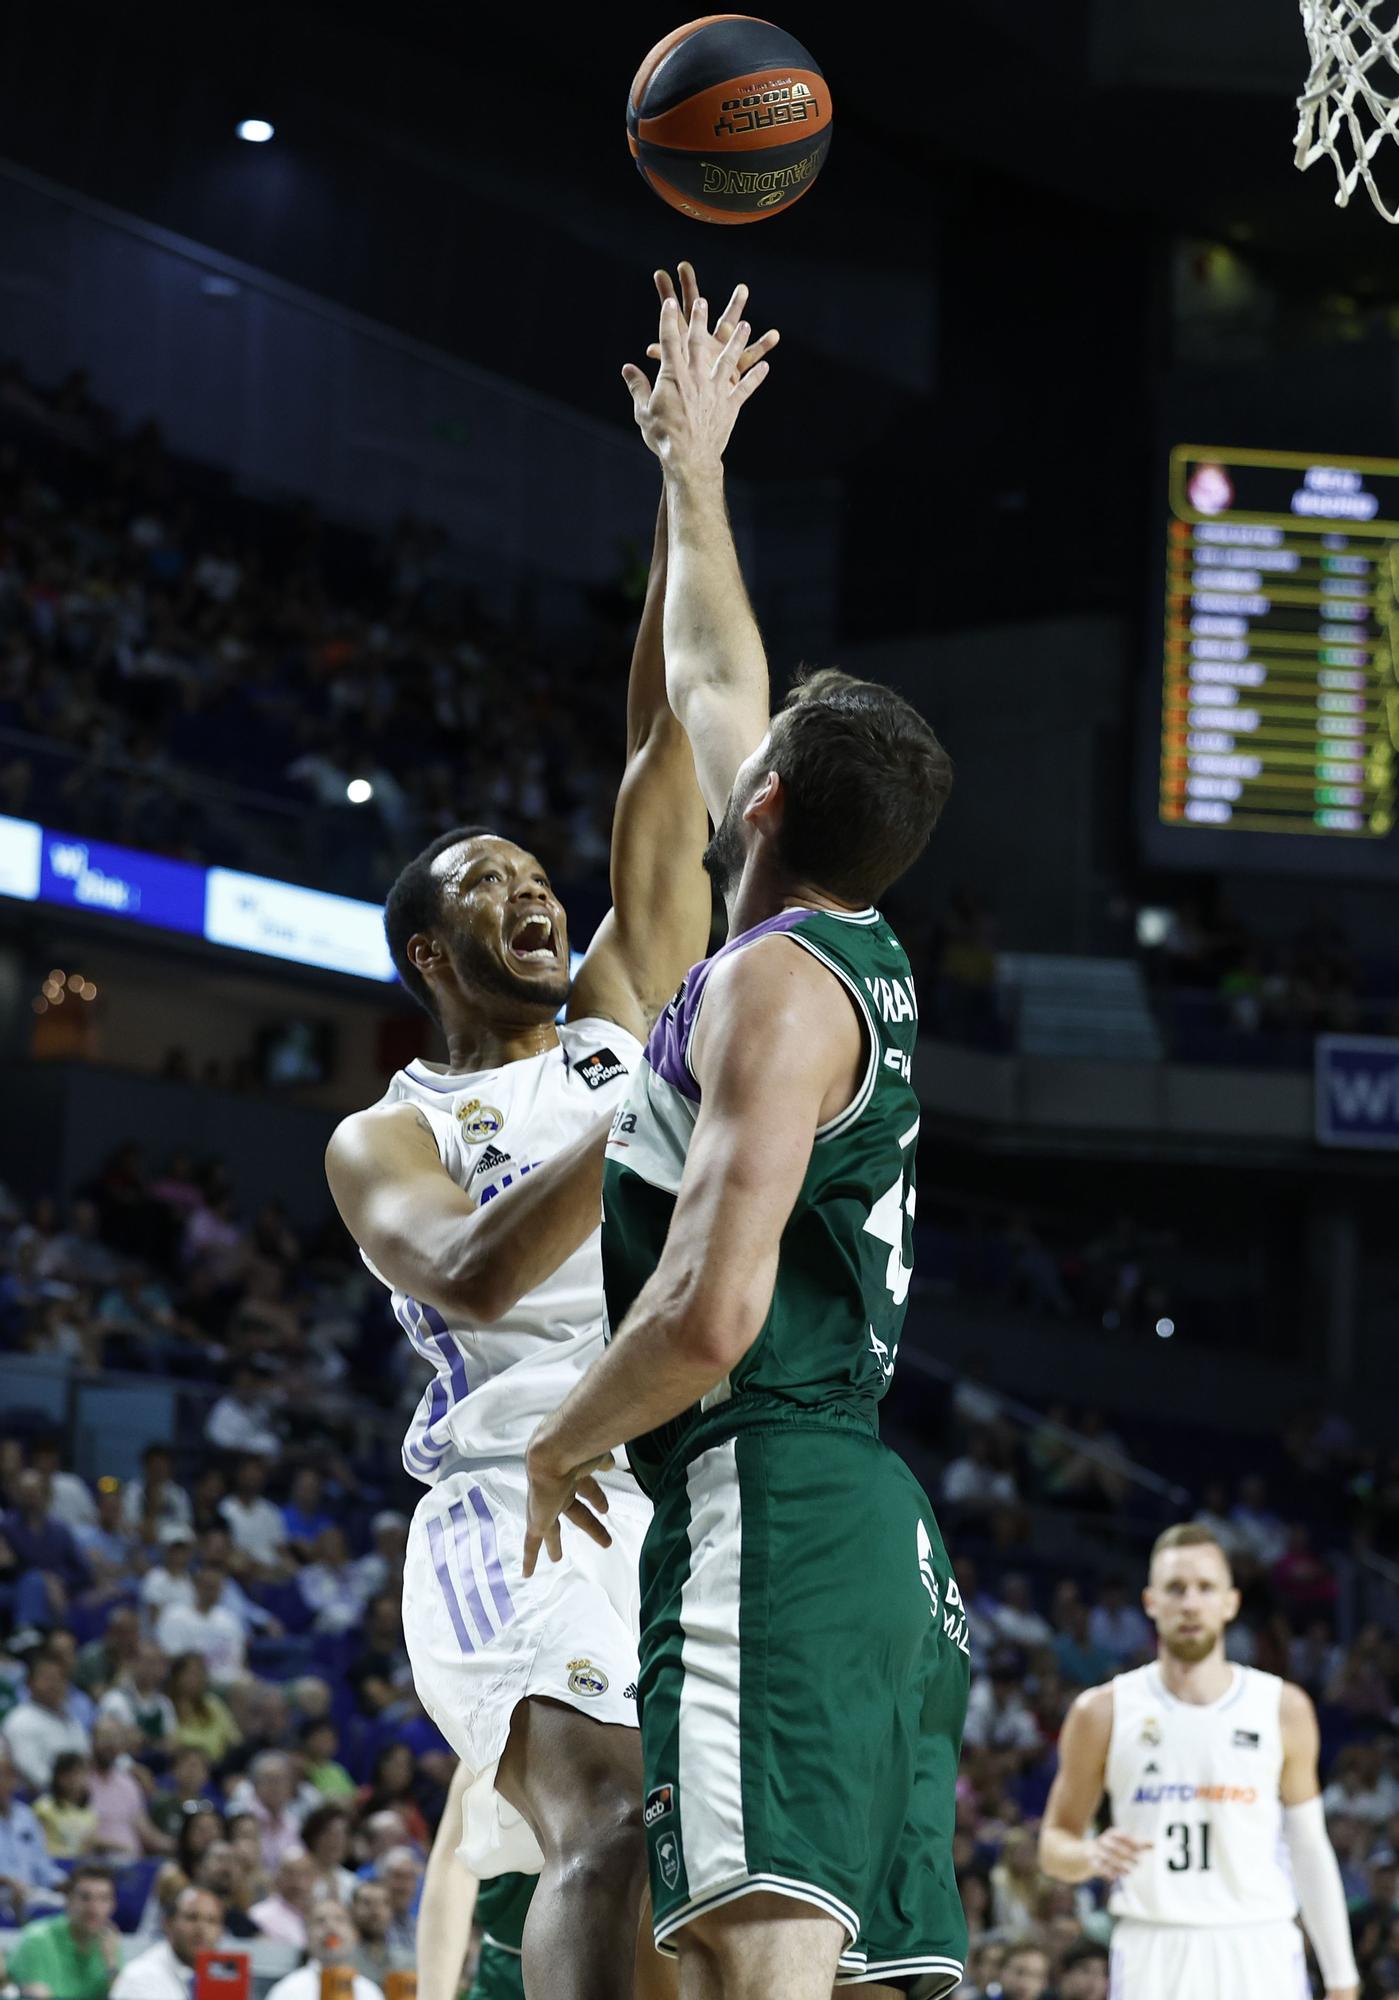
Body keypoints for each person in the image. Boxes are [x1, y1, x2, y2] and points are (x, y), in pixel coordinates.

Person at [325, 262, 777, 2000]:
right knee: (609, 1822)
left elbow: (666, 740)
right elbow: (469, 1265)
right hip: (520, 1502)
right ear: (431, 955)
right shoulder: (390, 1127)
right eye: (489, 892)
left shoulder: (612, 1009)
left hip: (675, 1467)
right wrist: (658, 1101)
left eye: (539, 878)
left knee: (722, 1882)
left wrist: (688, 475)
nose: (534, 897)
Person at [524, 280, 963, 1998]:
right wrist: (689, 464)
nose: (733, 731)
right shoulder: (831, 950)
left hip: (762, 1498)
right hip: (866, 1540)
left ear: (762, 799)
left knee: (748, 1980)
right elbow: (713, 661)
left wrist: (564, 1435)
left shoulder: (771, 993)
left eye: (749, 752)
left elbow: (708, 1316)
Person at [1039, 1522, 1359, 2000]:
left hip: (1259, 1942)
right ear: (1150, 1602)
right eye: (1175, 1589)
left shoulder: (1282, 1707)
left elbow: (1310, 1847)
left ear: (1231, 1601)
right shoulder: (1103, 1710)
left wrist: (1342, 1977)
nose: (1190, 1603)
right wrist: (1090, 1854)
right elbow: (1053, 1846)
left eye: (1205, 1588)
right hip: (1153, 1945)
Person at [5, 1861, 122, 2000]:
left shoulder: (110, 1944)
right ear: (68, 1899)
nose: (94, 1908)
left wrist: (112, 1965)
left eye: (103, 1899)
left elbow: (124, 1995)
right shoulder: (37, 1940)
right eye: (85, 1898)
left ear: (113, 1905)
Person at [111, 1884, 225, 1999]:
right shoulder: (140, 1977)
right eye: (192, 1917)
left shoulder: (226, 1977)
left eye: (212, 1920)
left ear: (221, 1931)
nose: (202, 1929)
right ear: (168, 1923)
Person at [3, 1648, 91, 1790]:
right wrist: (69, 1788)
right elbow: (34, 1774)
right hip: (41, 1801)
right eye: (47, 1678)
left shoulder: (70, 1720)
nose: (54, 1684)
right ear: (29, 1684)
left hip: (78, 1796)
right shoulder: (20, 1721)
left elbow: (85, 1759)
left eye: (59, 1679)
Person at [264, 1900, 384, 2000]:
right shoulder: (287, 1990)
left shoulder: (370, 1992)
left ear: (355, 1935)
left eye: (340, 1919)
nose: (330, 1926)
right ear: (307, 1937)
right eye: (320, 1921)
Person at [0, 1743, 65, 1924]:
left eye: (8, 1775)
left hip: (31, 1893)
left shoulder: (26, 1816)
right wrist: (6, 1881)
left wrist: (68, 1883)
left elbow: (42, 1865)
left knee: (77, 1902)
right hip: (5, 1893)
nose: (4, 1781)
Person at [155, 1561, 246, 1683]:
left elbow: (238, 1661)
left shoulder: (230, 1621)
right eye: (207, 1586)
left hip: (230, 1682)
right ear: (196, 1586)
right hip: (194, 1682)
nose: (211, 1592)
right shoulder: (175, 1616)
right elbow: (171, 1659)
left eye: (216, 1587)